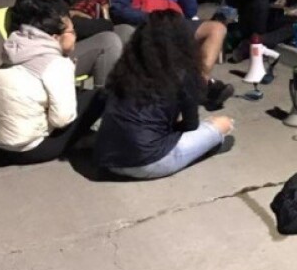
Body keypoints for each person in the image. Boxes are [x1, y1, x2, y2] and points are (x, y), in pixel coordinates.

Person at [93, 11, 235, 179]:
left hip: (107, 159)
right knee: (223, 124)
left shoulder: (126, 65)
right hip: (147, 162)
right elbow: (191, 125)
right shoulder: (184, 72)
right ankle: (205, 148)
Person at [110, 0, 233, 108]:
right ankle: (198, 90)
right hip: (149, 24)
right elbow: (119, 8)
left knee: (217, 28)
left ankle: (200, 83)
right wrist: (155, 19)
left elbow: (190, 11)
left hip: (176, 23)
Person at [0, 0, 105, 164]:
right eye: (72, 32)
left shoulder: (16, 53)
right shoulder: (56, 63)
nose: (76, 36)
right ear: (55, 37)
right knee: (101, 96)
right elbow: (61, 120)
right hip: (26, 150)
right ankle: (88, 140)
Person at [15, 0, 123, 88]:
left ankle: (135, 93)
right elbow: (69, 27)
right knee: (109, 41)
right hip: (47, 56)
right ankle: (102, 101)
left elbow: (90, 7)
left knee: (127, 31)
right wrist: (106, 23)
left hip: (73, 42)